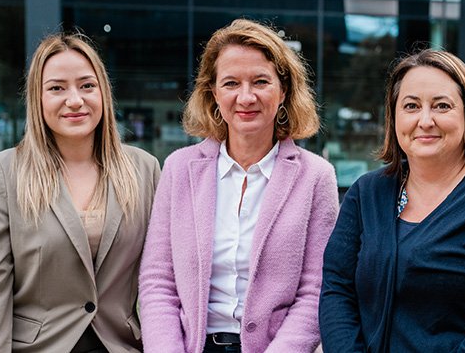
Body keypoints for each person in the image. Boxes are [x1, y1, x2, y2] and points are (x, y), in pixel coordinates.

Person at [319, 49, 465, 352]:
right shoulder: (367, 194)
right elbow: (337, 290)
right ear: (394, 117)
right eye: (411, 106)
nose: (425, 120)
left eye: (442, 106)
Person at [138, 18, 339, 353]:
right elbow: (158, 281)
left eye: (261, 81)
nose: (246, 97)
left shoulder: (316, 176)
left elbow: (315, 290)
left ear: (283, 89)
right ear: (213, 92)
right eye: (231, 83)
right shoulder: (179, 168)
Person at [0, 33, 161, 352]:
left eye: (87, 85)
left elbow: (162, 282)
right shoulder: (3, 173)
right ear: (37, 99)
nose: (75, 100)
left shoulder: (144, 170)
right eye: (56, 88)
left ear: (103, 92)